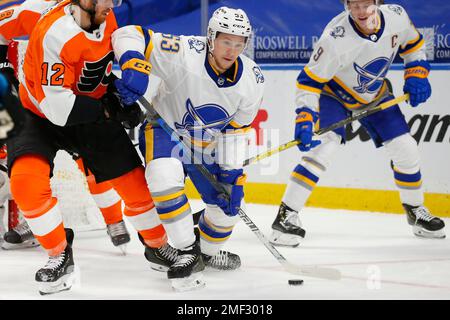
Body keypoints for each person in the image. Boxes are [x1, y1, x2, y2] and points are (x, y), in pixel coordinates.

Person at [6, 0, 176, 295]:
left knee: (135, 185)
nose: (112, 4)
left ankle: (158, 246)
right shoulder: (50, 28)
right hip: (39, 113)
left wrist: (121, 80)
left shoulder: (104, 16)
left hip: (89, 107)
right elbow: (59, 110)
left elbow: (118, 43)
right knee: (26, 185)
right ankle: (58, 253)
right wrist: (112, 110)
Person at [111, 6, 265, 291]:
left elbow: (234, 132)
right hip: (165, 130)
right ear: (210, 37)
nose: (231, 50)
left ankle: (203, 254)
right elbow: (127, 34)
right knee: (162, 177)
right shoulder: (183, 51)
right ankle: (186, 251)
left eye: (238, 43)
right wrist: (133, 63)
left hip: (209, 146)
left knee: (225, 210)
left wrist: (232, 175)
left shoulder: (252, 80)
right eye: (225, 41)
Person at [269, 0, 445, 248]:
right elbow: (309, 81)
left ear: (377, 2)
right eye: (354, 5)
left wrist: (417, 71)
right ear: (346, 5)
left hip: (375, 96)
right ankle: (286, 215)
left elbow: (414, 45)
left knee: (407, 148)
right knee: (324, 147)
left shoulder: (396, 16)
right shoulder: (335, 38)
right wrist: (305, 116)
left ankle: (415, 210)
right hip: (334, 94)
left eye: (365, 4)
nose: (360, 12)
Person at [0, 0, 130, 252]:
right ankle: (35, 222)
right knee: (29, 162)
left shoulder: (101, 14)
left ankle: (114, 219)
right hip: (36, 100)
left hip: (78, 100)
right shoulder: (36, 10)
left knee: (89, 159)